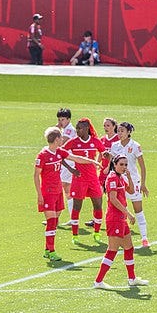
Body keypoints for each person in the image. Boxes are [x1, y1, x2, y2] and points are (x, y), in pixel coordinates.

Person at [93, 155, 148, 289]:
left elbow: (130, 190)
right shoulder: (112, 178)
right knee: (112, 250)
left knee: (129, 248)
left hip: (121, 219)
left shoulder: (120, 177)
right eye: (121, 164)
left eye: (125, 165)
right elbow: (113, 199)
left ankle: (132, 279)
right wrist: (128, 213)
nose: (124, 167)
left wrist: (128, 176)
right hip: (115, 219)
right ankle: (98, 281)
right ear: (114, 164)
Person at [34, 127, 79, 262]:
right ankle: (52, 251)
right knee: (52, 221)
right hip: (48, 192)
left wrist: (93, 162)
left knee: (55, 221)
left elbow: (74, 157)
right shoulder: (42, 155)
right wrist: (39, 195)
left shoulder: (59, 151)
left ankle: (47, 249)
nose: (62, 140)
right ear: (56, 139)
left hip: (58, 191)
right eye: (61, 138)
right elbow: (36, 175)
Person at [63, 118, 107, 244]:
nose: (77, 131)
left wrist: (105, 162)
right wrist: (71, 169)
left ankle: (97, 233)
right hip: (79, 179)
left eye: (80, 128)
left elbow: (104, 153)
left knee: (98, 205)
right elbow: (60, 155)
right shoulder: (73, 142)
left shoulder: (95, 141)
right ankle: (75, 235)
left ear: (87, 128)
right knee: (77, 207)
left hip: (93, 178)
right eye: (76, 128)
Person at [107, 122, 149, 247]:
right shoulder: (115, 145)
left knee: (138, 210)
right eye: (118, 131)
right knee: (118, 209)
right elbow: (112, 164)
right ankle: (119, 239)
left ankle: (144, 238)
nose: (119, 133)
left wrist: (143, 183)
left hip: (133, 181)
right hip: (119, 182)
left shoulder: (135, 146)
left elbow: (142, 165)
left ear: (128, 132)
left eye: (122, 131)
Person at [56, 107, 77, 224]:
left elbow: (61, 142)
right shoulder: (65, 129)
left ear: (68, 119)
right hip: (67, 162)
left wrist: (55, 130)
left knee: (60, 187)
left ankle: (55, 216)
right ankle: (73, 218)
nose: (60, 122)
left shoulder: (69, 130)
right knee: (67, 189)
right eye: (59, 119)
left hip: (68, 162)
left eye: (62, 119)